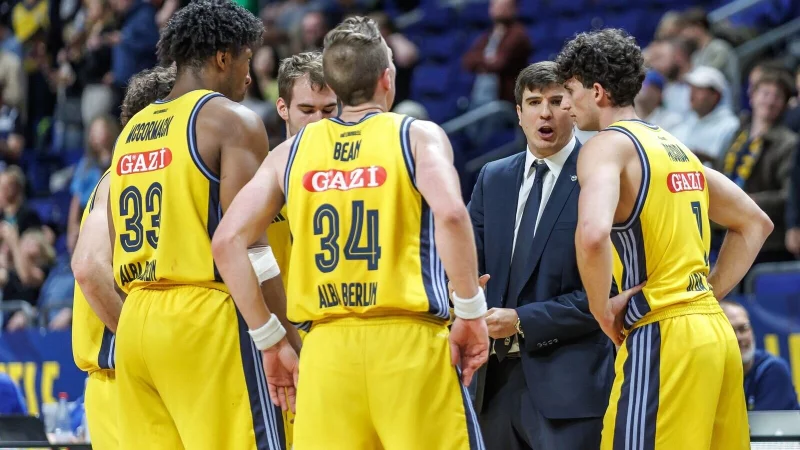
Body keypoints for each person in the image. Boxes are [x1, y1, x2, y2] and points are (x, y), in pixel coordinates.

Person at [212, 16, 489, 450]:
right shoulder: (416, 135)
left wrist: (269, 340)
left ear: (334, 89)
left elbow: (227, 242)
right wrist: (471, 310)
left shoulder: (290, 152)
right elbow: (452, 215)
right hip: (408, 344)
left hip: (324, 355)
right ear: (387, 77)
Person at [556, 28, 773, 449]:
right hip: (715, 335)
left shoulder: (606, 146)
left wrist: (602, 310)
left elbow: (594, 233)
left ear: (597, 91)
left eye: (570, 90)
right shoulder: (675, 146)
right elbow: (755, 223)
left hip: (664, 337)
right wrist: (704, 292)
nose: (566, 103)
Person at [107, 1, 296, 448]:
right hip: (202, 319)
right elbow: (251, 245)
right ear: (224, 58)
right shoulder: (231, 121)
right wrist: (281, 336)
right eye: (247, 60)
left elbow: (116, 241)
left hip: (135, 322)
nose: (250, 77)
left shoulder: (131, 130)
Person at [467, 61, 614, 450]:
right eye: (533, 102)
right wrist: (462, 294)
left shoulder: (599, 177)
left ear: (575, 108)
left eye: (556, 100)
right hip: (492, 386)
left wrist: (521, 320)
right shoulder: (492, 177)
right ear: (519, 114)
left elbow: (607, 293)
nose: (544, 112)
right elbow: (466, 266)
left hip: (569, 389)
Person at [71, 63, 177, 450]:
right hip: (120, 376)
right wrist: (138, 342)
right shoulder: (118, 179)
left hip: (135, 377)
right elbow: (85, 267)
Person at [267, 50, 337, 448]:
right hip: (280, 346)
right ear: (283, 108)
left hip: (336, 341)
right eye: (307, 109)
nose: (318, 121)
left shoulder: (358, 175)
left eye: (329, 110)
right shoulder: (260, 177)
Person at [720, 300, 800, 411]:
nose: (739, 338)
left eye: (743, 328)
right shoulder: (712, 374)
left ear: (752, 330)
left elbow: (763, 426)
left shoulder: (772, 369)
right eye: (729, 331)